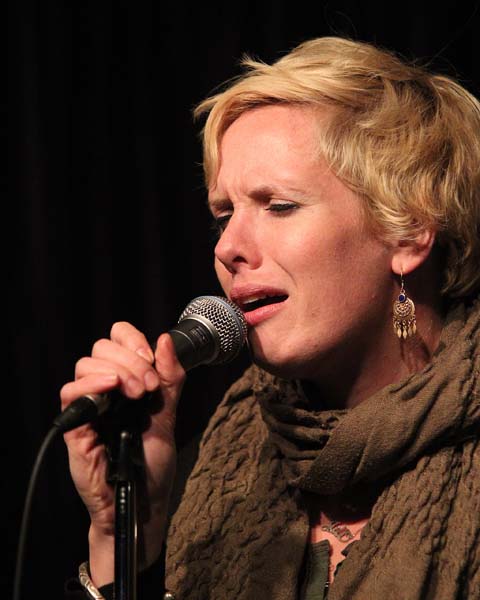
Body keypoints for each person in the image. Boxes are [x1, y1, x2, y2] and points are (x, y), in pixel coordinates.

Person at [61, 36, 480, 599]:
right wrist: (123, 537)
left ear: (408, 232)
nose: (228, 247)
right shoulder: (218, 460)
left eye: (279, 206)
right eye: (223, 215)